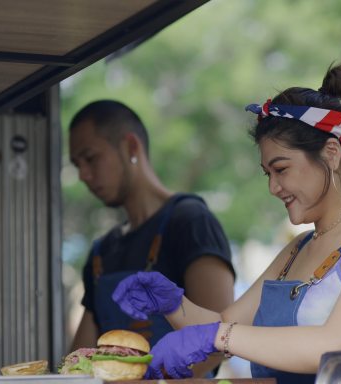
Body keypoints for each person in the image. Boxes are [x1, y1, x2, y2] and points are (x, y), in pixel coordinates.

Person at [112, 64, 341, 383]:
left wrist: (218, 336)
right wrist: (174, 304)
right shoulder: (296, 250)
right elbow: (222, 325)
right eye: (268, 174)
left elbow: (336, 347)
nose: (273, 187)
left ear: (331, 153)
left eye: (281, 169)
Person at [68, 100, 236, 376]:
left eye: (91, 158)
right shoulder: (101, 251)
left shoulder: (190, 221)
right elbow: (79, 362)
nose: (83, 175)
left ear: (131, 147)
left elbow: (222, 337)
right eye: (77, 165)